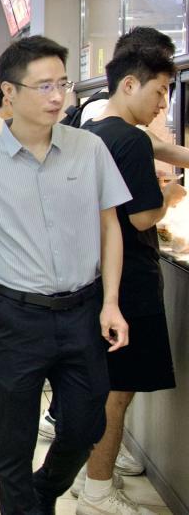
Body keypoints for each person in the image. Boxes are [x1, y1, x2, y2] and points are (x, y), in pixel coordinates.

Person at [0, 35, 130, 515]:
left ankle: (45, 488)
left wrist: (111, 302)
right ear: (9, 93)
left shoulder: (89, 148)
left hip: (83, 311)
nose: (57, 97)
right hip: (17, 316)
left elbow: (110, 226)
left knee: (86, 425)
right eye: (44, 86)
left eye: (62, 84)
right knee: (13, 441)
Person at [76, 41, 183, 515]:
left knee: (105, 388)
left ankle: (90, 477)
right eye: (160, 92)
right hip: (129, 283)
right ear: (129, 83)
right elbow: (140, 218)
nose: (162, 104)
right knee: (116, 393)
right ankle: (98, 492)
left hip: (94, 276)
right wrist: (170, 197)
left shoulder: (89, 132)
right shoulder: (132, 140)